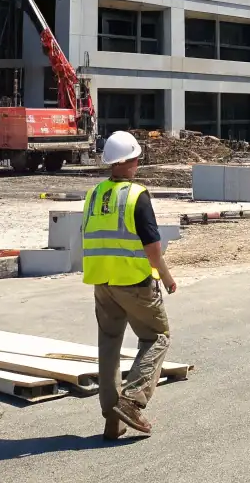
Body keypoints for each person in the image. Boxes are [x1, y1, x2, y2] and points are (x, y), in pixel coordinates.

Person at [82, 130, 178, 440]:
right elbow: (153, 250)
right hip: (134, 281)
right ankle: (133, 400)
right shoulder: (137, 196)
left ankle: (113, 420)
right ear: (125, 162)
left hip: (102, 281)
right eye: (136, 159)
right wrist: (165, 277)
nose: (138, 163)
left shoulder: (94, 194)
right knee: (157, 336)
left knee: (109, 345)